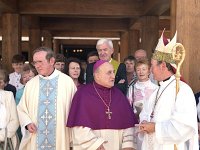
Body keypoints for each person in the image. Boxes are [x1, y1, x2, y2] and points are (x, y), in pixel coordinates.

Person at [138, 31, 199, 149]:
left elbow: (184, 126)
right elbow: (146, 114)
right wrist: (144, 123)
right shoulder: (156, 91)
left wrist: (155, 128)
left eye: (153, 66)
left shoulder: (182, 90)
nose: (150, 70)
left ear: (163, 66)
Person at [67, 60, 138, 150]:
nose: (113, 76)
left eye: (113, 72)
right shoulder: (83, 94)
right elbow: (78, 126)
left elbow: (129, 124)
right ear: (97, 75)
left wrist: (128, 145)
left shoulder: (119, 95)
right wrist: (95, 144)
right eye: (109, 73)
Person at [17, 47, 77, 150]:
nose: (37, 66)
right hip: (36, 135)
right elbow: (22, 108)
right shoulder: (31, 84)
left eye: (40, 62)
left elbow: (76, 109)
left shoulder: (67, 82)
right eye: (35, 62)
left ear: (52, 61)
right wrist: (27, 123)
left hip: (60, 136)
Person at [0, 69, 19, 149]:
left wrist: (1, 136)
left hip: (6, 139)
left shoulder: (9, 96)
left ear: (5, 83)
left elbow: (15, 120)